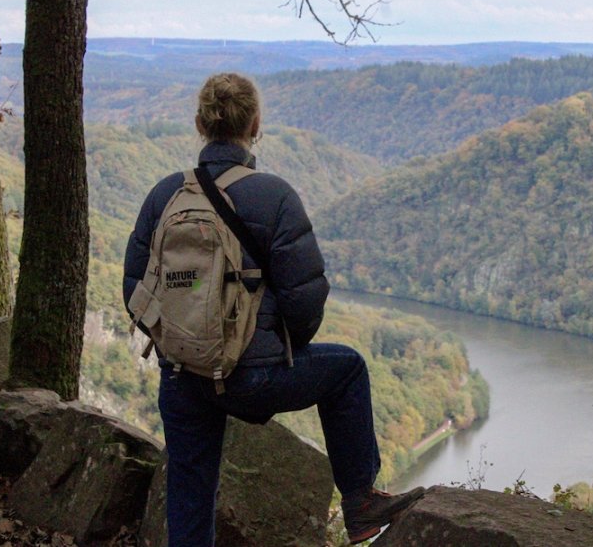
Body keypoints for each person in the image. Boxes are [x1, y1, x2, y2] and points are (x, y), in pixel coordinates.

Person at [123, 72, 423, 546]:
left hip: (182, 375)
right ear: (256, 124)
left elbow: (135, 291)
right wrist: (272, 350)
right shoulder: (274, 195)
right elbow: (306, 300)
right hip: (251, 377)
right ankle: (361, 505)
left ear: (200, 123)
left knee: (189, 491)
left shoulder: (165, 196)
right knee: (347, 370)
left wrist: (182, 346)